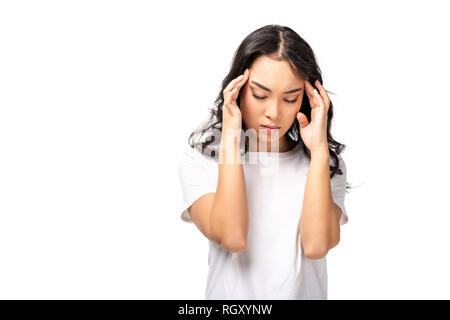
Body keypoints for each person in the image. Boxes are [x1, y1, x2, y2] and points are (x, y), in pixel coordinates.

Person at [177, 24, 351, 300]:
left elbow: (316, 246)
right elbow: (233, 237)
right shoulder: (204, 159)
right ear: (237, 89)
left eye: (290, 98)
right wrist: (232, 140)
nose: (273, 112)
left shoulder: (325, 164)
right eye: (260, 95)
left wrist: (318, 151)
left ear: (306, 100)